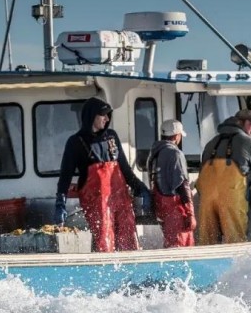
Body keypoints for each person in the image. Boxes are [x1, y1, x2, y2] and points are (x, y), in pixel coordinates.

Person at [55, 97, 151, 252]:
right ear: (91, 116)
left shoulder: (111, 137)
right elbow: (65, 177)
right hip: (97, 203)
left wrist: (141, 188)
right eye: (103, 115)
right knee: (104, 243)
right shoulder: (75, 142)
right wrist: (60, 205)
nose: (107, 119)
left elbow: (125, 169)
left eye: (108, 115)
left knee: (129, 241)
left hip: (121, 200)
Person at [195, 109, 251, 245]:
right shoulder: (249, 142)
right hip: (230, 199)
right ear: (241, 122)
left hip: (207, 200)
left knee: (207, 243)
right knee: (235, 241)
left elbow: (202, 174)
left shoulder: (210, 144)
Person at [147, 119, 196, 248]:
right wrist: (190, 214)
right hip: (176, 210)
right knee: (182, 247)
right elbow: (183, 184)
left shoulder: (155, 152)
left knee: (171, 245)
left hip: (162, 208)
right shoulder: (175, 153)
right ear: (176, 136)